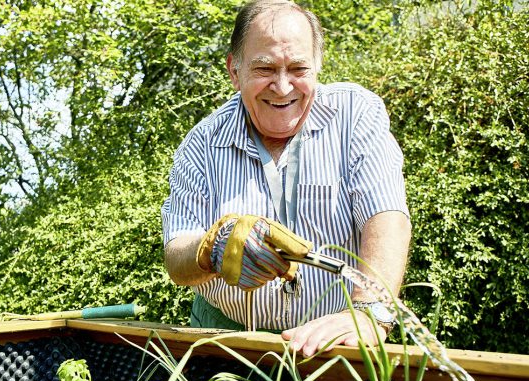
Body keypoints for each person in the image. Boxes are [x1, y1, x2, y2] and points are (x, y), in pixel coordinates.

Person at [161, 0, 411, 357]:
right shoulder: (200, 144)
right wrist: (212, 249)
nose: (282, 87)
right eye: (264, 68)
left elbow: (386, 217)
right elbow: (176, 254)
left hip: (338, 337)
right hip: (225, 338)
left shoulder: (356, 114)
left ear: (318, 66)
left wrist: (370, 310)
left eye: (298, 68)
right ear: (235, 71)